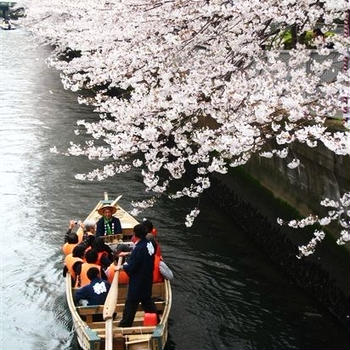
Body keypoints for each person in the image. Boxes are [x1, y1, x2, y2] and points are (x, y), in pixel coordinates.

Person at [117, 224, 158, 327]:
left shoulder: (139, 248)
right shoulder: (149, 243)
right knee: (146, 300)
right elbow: (142, 256)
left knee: (131, 303)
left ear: (135, 234)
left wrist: (123, 267)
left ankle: (125, 325)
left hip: (138, 281)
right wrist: (128, 254)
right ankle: (156, 318)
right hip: (147, 277)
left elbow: (131, 268)